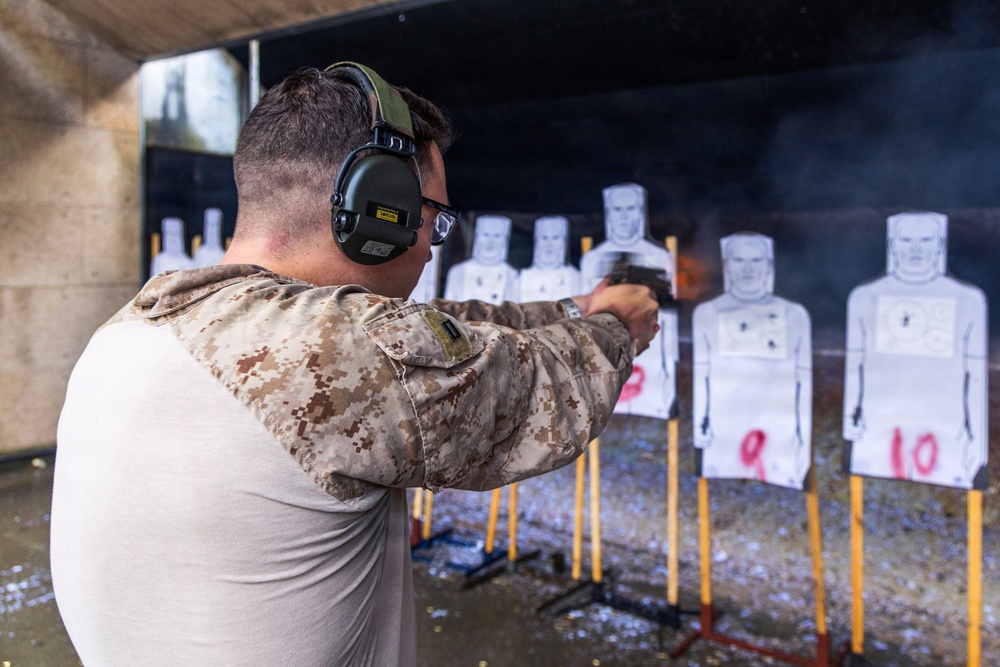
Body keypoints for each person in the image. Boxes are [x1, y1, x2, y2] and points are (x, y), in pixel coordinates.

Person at [50, 65, 659, 667]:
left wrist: (570, 307)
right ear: (378, 210)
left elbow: (430, 331)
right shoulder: (350, 351)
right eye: (432, 219)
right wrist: (617, 325)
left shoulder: (140, 324)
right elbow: (544, 384)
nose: (429, 244)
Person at [844, 211, 987, 489]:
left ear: (940, 245)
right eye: (907, 240)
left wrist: (976, 438)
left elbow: (976, 376)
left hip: (946, 430)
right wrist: (851, 418)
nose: (916, 248)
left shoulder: (968, 300)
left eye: (925, 239)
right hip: (879, 427)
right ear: (893, 245)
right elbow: (855, 366)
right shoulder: (865, 298)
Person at [692, 233, 812, 489]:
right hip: (725, 427)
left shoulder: (794, 315)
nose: (748, 269)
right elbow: (702, 378)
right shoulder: (707, 314)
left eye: (756, 260)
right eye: (739, 260)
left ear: (768, 265)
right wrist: (701, 425)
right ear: (728, 265)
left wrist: (802, 436)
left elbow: (803, 382)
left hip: (778, 427)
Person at [580, 182, 678, 419]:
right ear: (609, 214)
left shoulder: (659, 257)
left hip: (649, 348)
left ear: (639, 213)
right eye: (617, 210)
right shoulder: (593, 259)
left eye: (630, 209)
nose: (623, 217)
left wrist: (671, 359)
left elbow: (668, 315)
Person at [442, 214, 519, 304]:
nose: (491, 241)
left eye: (497, 236)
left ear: (505, 239)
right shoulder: (458, 271)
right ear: (477, 236)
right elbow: (449, 309)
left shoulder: (512, 275)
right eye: (486, 235)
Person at [515, 215, 581, 302]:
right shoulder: (521, 278)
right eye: (544, 238)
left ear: (563, 241)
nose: (549, 244)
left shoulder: (574, 276)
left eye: (555, 238)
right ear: (537, 240)